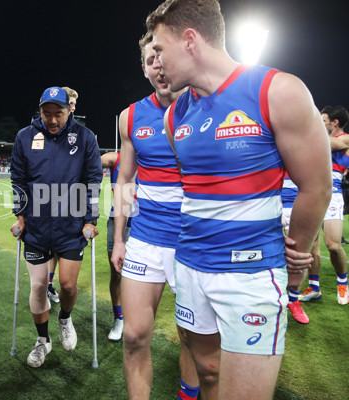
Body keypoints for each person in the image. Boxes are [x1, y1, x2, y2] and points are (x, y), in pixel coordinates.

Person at [146, 1, 332, 399]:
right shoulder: (175, 114)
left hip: (251, 276)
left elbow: (317, 186)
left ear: (190, 40)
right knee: (207, 372)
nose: (156, 63)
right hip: (191, 267)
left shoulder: (277, 90)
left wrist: (297, 256)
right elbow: (196, 191)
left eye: (160, 50)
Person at [111, 32, 198, 400]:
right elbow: (125, 180)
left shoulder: (206, 106)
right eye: (150, 61)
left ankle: (188, 394)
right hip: (145, 239)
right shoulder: (130, 116)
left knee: (193, 339)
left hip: (194, 243)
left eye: (163, 57)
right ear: (144, 68)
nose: (158, 67)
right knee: (134, 336)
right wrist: (119, 238)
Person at [10, 86, 102, 368]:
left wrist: (90, 220)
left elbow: (93, 181)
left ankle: (64, 317)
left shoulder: (85, 138)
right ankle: (42, 340)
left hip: (71, 226)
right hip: (36, 227)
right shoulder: (25, 137)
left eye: (57, 114)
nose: (51, 120)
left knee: (67, 285)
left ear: (68, 110)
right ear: (39, 110)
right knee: (38, 286)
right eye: (46, 113)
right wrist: (20, 216)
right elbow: (18, 178)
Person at [299, 105, 349, 305]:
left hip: (333, 192)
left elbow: (328, 144)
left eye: (323, 120)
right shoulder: (318, 139)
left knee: (334, 245)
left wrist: (306, 128)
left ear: (334, 123)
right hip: (312, 192)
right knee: (311, 247)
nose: (320, 124)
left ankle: (343, 283)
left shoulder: (345, 139)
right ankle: (314, 287)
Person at [45, 86, 81, 305]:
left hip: (71, 207)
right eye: (70, 102)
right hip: (47, 203)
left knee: (61, 255)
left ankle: (53, 291)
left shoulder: (79, 133)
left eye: (75, 104)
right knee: (51, 253)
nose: (73, 107)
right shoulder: (45, 130)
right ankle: (48, 286)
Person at [101, 151, 132, 342]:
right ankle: (118, 319)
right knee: (117, 273)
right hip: (117, 222)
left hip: (144, 223)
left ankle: (135, 317)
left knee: (142, 276)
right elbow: (90, 161)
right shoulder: (116, 157)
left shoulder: (154, 154)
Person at [281, 174, 310, 323]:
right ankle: (279, 299)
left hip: (300, 205)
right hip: (273, 203)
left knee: (301, 253)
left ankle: (293, 300)